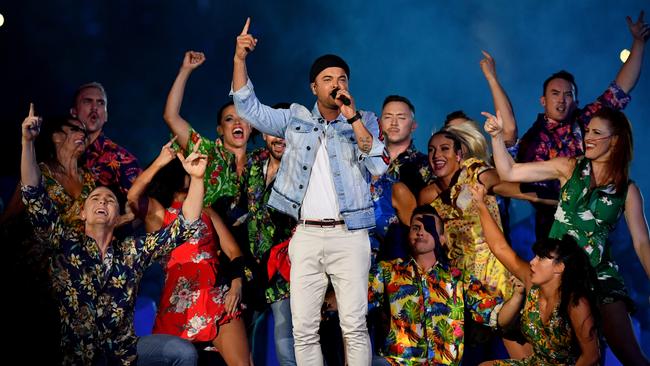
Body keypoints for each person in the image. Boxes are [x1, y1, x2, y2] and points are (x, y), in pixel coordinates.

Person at [232, 18, 389, 365]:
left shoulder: (364, 119)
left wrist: (353, 117)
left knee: (354, 325)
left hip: (350, 235)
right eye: (328, 79)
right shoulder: (295, 119)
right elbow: (248, 109)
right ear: (313, 87)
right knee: (303, 328)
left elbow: (378, 164)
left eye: (342, 79)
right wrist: (239, 60)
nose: (337, 84)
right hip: (305, 235)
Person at [20, 105, 207, 365]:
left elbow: (185, 226)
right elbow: (33, 195)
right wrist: (27, 142)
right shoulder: (64, 244)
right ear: (83, 214)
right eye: (95, 198)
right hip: (78, 357)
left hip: (123, 354)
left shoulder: (131, 251)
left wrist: (197, 179)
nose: (102, 201)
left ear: (117, 215)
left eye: (109, 200)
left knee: (182, 352)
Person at [484, 107, 650, 364]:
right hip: (559, 275)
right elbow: (510, 173)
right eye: (586, 131)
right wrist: (496, 137)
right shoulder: (570, 166)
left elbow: (641, 243)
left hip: (599, 278)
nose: (588, 137)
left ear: (615, 140)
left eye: (597, 132)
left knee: (631, 356)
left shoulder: (627, 191)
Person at [487, 12, 649, 239]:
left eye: (568, 94)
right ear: (543, 100)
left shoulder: (589, 120)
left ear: (576, 100)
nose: (561, 100)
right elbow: (507, 172)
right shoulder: (533, 141)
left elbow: (621, 88)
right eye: (555, 94)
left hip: (597, 223)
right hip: (553, 229)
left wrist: (638, 43)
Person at [126, 139, 251, 365]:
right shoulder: (159, 214)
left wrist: (236, 284)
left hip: (215, 297)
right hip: (177, 304)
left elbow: (233, 252)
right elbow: (133, 196)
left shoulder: (207, 211)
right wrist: (160, 161)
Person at [368, 205, 524, 365]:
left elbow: (498, 318)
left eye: (428, 228)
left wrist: (518, 295)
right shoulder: (387, 271)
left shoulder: (459, 278)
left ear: (442, 239)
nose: (420, 232)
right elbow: (354, 305)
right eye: (415, 228)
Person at [472, 184, 600, 366]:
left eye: (541, 258)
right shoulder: (532, 282)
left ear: (560, 267)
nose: (532, 262)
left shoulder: (576, 303)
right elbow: (500, 248)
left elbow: (591, 356)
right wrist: (480, 204)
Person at [246, 103, 298, 365]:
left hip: (286, 269)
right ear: (264, 133)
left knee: (285, 339)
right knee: (248, 338)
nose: (280, 137)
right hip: (254, 268)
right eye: (273, 130)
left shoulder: (304, 169)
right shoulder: (254, 164)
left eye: (287, 130)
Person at [71, 82, 142, 195]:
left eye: (100, 103)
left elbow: (140, 205)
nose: (94, 108)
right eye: (88, 101)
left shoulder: (122, 159)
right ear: (73, 111)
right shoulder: (57, 150)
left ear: (106, 116)